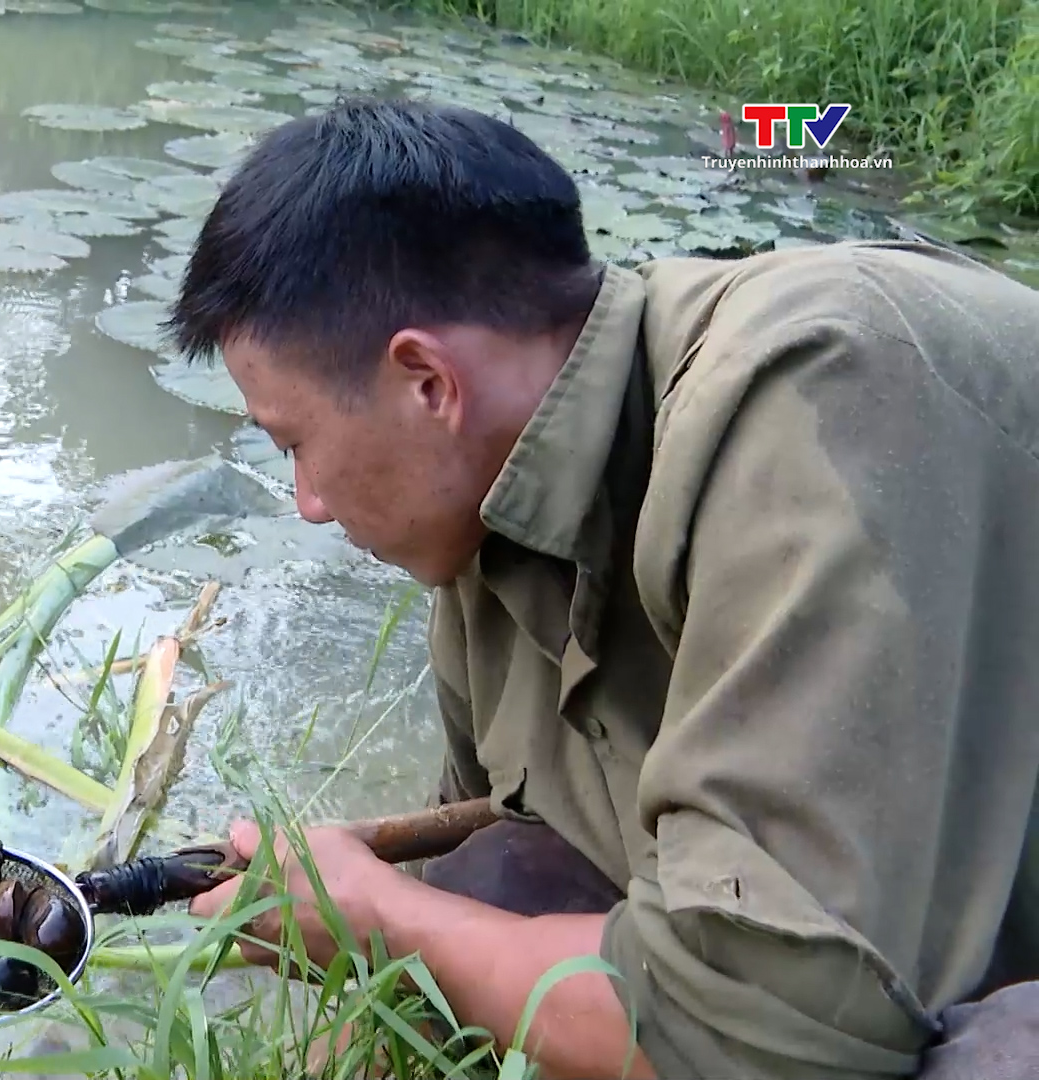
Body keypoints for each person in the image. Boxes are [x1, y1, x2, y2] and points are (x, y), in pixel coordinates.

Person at [167, 96, 1039, 1080]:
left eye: (296, 445)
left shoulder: (813, 398)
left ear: (428, 384)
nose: (310, 501)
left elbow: (765, 1038)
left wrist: (378, 920)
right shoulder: (486, 523)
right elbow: (490, 854)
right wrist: (366, 886)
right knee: (490, 884)